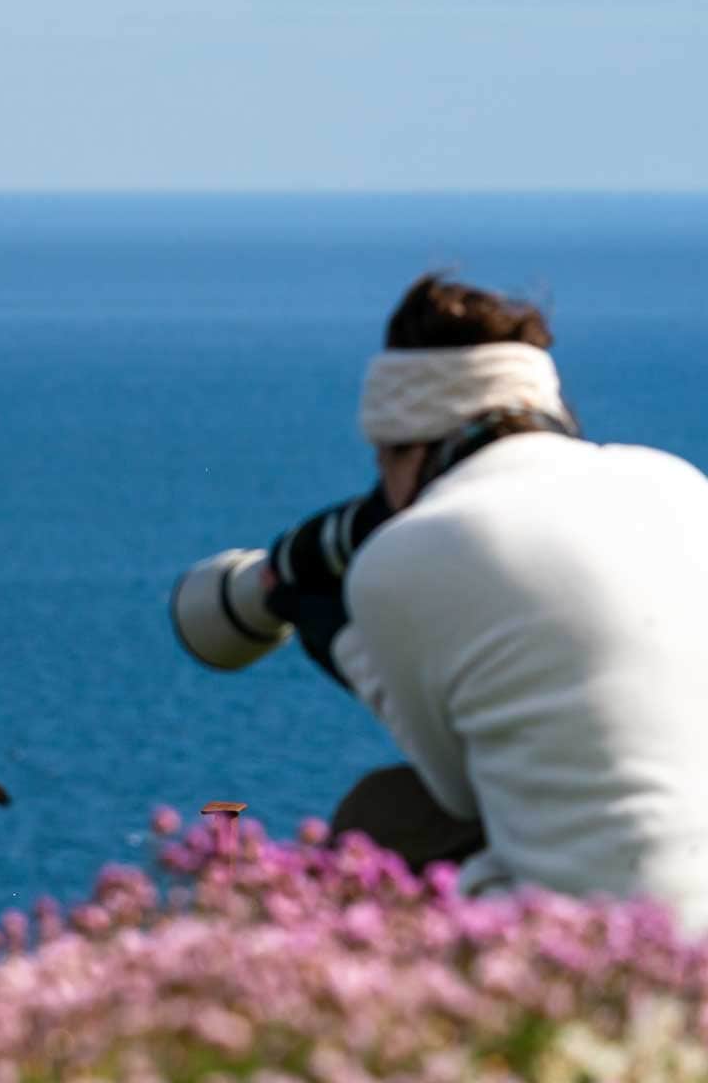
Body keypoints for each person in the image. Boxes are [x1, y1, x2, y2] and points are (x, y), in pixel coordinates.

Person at [279, 273, 708, 930]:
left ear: (406, 444)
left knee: (383, 813)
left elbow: (455, 786)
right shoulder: (678, 486)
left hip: (605, 950)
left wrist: (331, 629)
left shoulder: (402, 556)